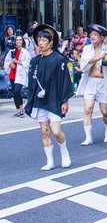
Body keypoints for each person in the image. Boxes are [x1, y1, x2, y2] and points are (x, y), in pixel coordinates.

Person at [25, 24, 74, 170]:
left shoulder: (59, 60)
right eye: (38, 40)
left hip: (54, 98)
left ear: (51, 42)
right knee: (44, 131)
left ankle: (64, 150)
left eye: (43, 40)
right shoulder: (35, 61)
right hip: (40, 101)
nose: (40, 43)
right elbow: (31, 82)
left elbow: (65, 81)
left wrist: (64, 101)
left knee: (56, 131)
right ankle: (50, 161)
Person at [76, 24, 107, 145]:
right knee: (88, 108)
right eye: (91, 34)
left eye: (95, 35)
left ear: (102, 37)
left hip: (103, 83)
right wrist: (100, 56)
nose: (93, 36)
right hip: (90, 81)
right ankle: (88, 137)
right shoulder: (87, 49)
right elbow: (84, 63)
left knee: (105, 112)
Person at [4, 35, 31, 117]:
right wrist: (10, 65)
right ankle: (18, 110)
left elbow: (28, 63)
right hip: (13, 74)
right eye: (17, 40)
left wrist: (17, 62)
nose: (18, 41)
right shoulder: (12, 51)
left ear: (22, 41)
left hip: (20, 74)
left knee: (17, 91)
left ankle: (22, 108)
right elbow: (6, 62)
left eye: (20, 40)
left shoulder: (25, 52)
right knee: (14, 93)